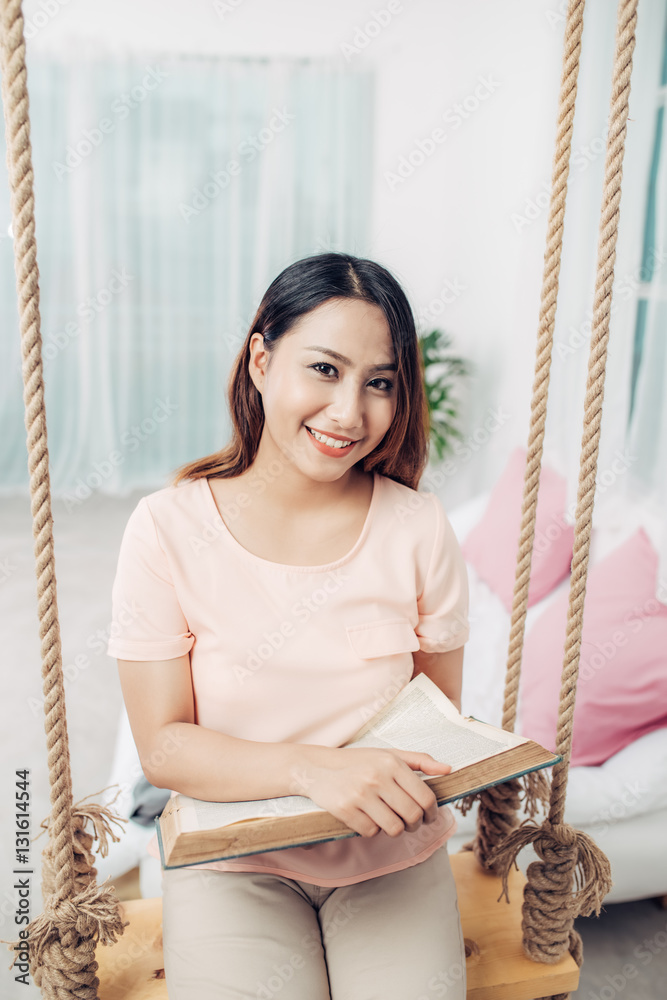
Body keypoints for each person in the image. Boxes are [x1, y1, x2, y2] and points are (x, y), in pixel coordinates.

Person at [107, 251, 470, 1000]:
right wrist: (313, 767)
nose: (349, 414)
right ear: (261, 360)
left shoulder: (418, 527)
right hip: (234, 861)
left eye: (379, 383)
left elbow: (435, 719)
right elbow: (164, 747)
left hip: (390, 860)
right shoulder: (166, 527)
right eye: (325, 369)